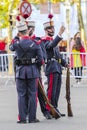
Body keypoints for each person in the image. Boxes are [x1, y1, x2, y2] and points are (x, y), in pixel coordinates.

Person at [9, 20, 44, 123]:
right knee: (33, 94)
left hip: (20, 72)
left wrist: (16, 37)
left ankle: (23, 118)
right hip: (33, 71)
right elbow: (41, 60)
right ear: (28, 31)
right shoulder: (35, 43)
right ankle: (32, 118)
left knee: (21, 95)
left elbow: (10, 47)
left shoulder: (16, 43)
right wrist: (35, 66)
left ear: (19, 32)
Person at [41, 20, 68, 116]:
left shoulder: (53, 40)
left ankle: (55, 108)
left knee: (57, 90)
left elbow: (58, 55)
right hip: (51, 67)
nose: (52, 30)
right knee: (51, 90)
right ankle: (49, 109)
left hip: (57, 67)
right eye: (50, 28)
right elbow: (50, 46)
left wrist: (65, 64)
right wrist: (59, 34)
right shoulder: (44, 40)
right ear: (46, 30)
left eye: (53, 28)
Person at [26, 19, 52, 119]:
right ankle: (29, 113)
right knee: (27, 94)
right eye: (27, 28)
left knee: (40, 93)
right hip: (24, 71)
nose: (28, 30)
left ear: (33, 28)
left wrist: (37, 64)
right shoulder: (21, 40)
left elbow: (43, 56)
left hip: (35, 70)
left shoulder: (38, 40)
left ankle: (45, 111)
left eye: (29, 28)